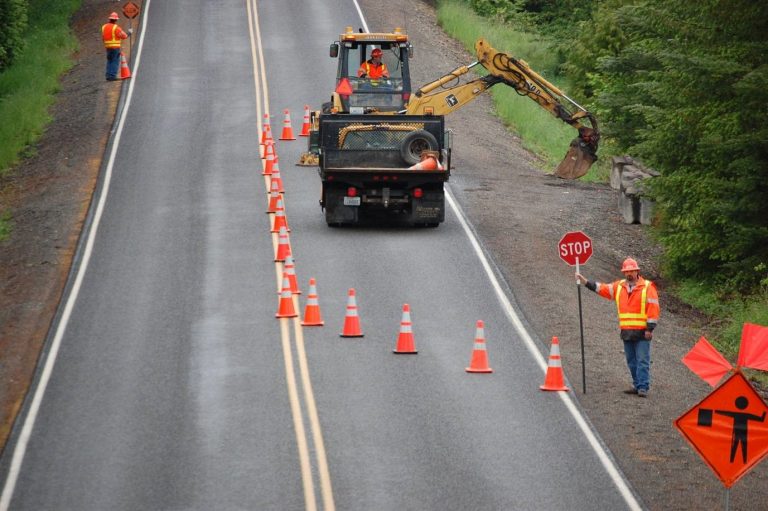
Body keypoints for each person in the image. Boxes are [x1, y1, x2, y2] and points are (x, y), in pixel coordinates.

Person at [576, 257, 659, 397]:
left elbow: (653, 308)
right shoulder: (619, 286)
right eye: (626, 271)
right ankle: (637, 384)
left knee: (642, 360)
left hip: (642, 332)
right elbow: (602, 288)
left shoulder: (647, 287)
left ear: (637, 271)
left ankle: (643, 387)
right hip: (626, 331)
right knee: (631, 360)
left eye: (631, 271)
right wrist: (585, 282)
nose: (629, 274)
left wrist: (649, 329)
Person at [102, 12, 132, 81]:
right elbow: (124, 36)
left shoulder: (104, 27)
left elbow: (103, 38)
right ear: (116, 20)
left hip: (108, 47)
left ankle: (108, 75)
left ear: (110, 19)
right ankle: (112, 76)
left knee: (109, 61)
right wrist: (129, 32)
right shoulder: (116, 28)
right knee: (115, 61)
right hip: (115, 48)